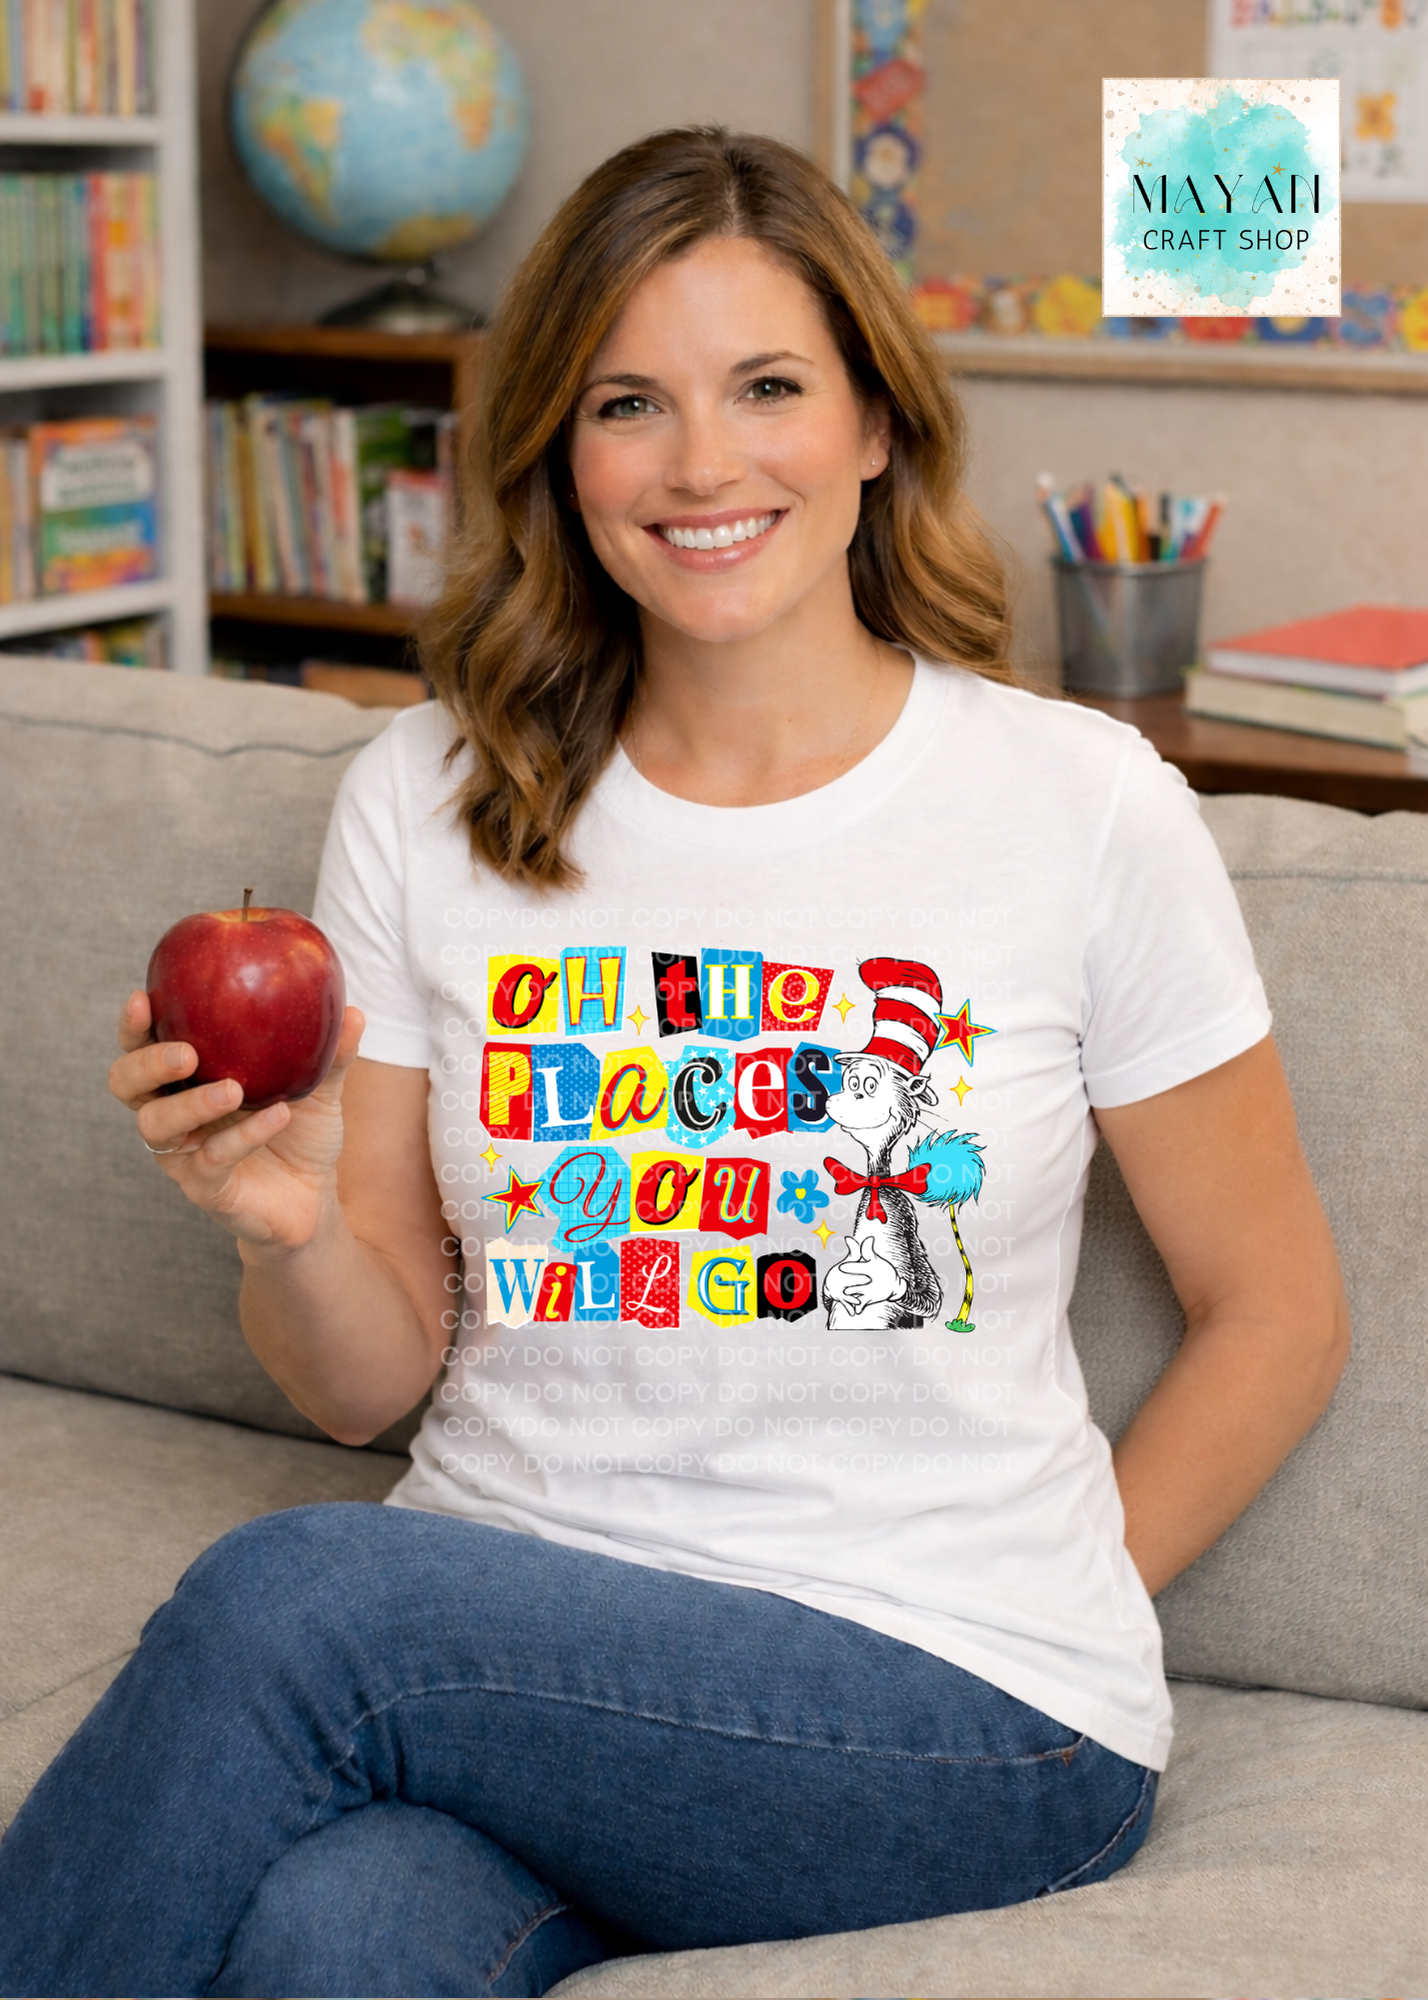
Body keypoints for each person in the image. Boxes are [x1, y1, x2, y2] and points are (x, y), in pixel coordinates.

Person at [0, 128, 1349, 2000]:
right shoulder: (428, 800)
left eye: (770, 388)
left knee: (297, 1601)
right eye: (630, 403)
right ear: (560, 448)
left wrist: (1058, 1602)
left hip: (945, 1698)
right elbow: (362, 1389)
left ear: (877, 423)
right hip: (521, 1643)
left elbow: (1275, 1309)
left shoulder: (1076, 804)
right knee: (334, 1939)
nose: (704, 465)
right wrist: (280, 1226)